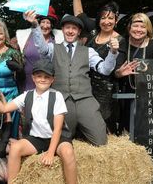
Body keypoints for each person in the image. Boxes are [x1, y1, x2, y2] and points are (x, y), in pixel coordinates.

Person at [24, 11, 119, 145]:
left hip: (85, 100)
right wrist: (35, 25)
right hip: (61, 102)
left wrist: (113, 53)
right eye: (67, 27)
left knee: (101, 141)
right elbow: (42, 48)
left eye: (74, 28)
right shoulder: (52, 48)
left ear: (79, 31)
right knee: (58, 142)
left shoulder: (88, 51)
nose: (70, 31)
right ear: (62, 30)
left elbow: (105, 69)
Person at [0, 59, 77, 184]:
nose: (42, 79)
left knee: (68, 151)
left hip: (58, 138)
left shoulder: (57, 96)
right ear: (33, 77)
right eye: (39, 76)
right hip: (36, 139)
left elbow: (58, 129)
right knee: (15, 148)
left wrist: (50, 153)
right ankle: (12, 182)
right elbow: (3, 108)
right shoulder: (27, 95)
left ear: (52, 79)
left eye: (46, 77)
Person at [72, 0, 127, 134]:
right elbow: (79, 14)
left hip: (105, 92)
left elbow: (116, 71)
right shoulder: (93, 31)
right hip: (85, 86)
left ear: (116, 20)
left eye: (111, 18)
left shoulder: (120, 40)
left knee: (102, 128)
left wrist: (119, 72)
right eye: (103, 18)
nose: (106, 21)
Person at [114, 13, 153, 133]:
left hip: (149, 95)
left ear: (148, 29)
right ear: (129, 28)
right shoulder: (122, 43)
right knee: (126, 130)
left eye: (142, 27)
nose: (138, 29)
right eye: (135, 26)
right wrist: (119, 73)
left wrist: (150, 73)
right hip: (125, 95)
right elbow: (114, 72)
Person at [15, 6, 64, 92]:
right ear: (37, 22)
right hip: (28, 82)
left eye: (48, 23)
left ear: (52, 24)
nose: (45, 26)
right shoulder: (23, 36)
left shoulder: (60, 38)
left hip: (52, 83)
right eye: (42, 22)